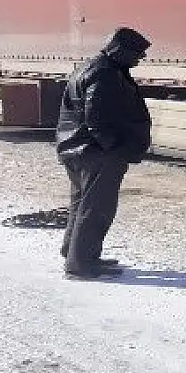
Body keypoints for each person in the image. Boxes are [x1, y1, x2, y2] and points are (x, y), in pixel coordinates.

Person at [55, 27, 153, 279]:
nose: (139, 59)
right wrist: (114, 149)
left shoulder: (97, 68)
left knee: (82, 205)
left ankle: (77, 254)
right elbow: (96, 118)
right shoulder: (105, 74)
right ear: (120, 50)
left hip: (79, 149)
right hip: (95, 153)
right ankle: (80, 265)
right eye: (137, 54)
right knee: (96, 209)